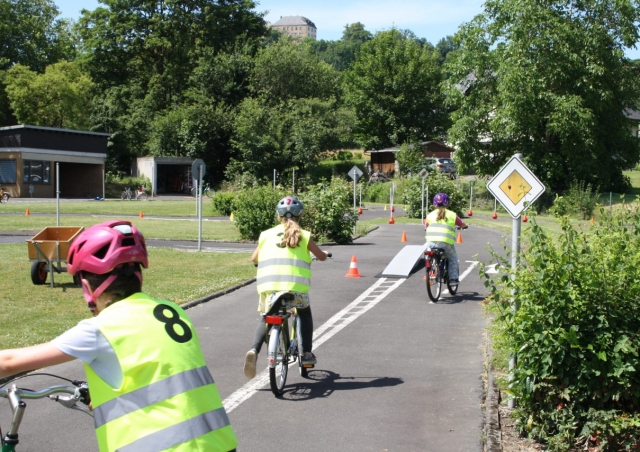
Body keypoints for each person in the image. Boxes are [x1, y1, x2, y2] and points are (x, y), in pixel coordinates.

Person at [0, 220, 238, 452]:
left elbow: (8, 363)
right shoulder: (171, 311)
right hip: (218, 443)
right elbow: (158, 370)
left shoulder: (101, 328)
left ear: (86, 287)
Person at [244, 196, 329, 379]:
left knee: (266, 318)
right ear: (300, 216)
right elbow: (320, 256)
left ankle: (254, 350)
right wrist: (325, 254)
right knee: (304, 313)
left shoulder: (266, 235)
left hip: (269, 289)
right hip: (295, 289)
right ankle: (306, 353)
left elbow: (254, 259)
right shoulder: (304, 236)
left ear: (278, 215)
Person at [424, 193, 468, 285]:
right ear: (447, 203)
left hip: (431, 242)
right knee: (452, 258)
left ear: (434, 203)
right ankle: (453, 279)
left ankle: (433, 271)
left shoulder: (430, 215)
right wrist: (465, 226)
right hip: (445, 243)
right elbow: (461, 224)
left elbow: (425, 226)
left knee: (432, 254)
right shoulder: (452, 215)